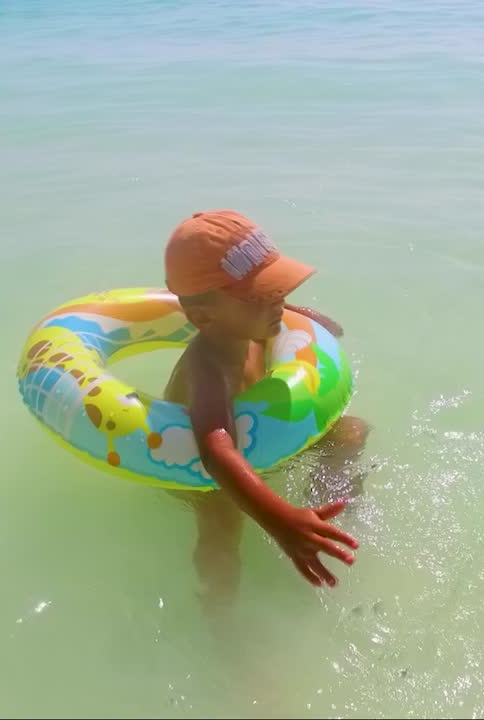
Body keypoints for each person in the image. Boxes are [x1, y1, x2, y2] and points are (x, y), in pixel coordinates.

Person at [161, 209, 371, 613]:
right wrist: (280, 521)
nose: (281, 303)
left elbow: (314, 325)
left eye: (280, 289)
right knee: (221, 525)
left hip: (259, 440)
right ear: (205, 317)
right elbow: (214, 446)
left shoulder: (252, 326)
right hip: (202, 473)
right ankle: (219, 613)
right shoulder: (209, 367)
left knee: (352, 431)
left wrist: (311, 321)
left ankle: (327, 509)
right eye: (264, 296)